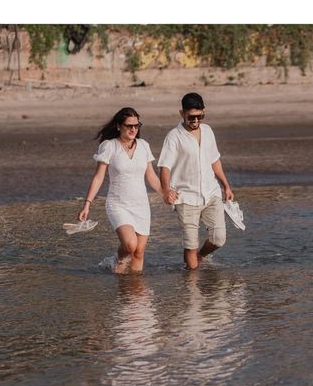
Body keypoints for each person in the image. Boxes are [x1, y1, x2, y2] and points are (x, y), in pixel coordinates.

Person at [78, 107, 173, 274]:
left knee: (139, 252)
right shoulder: (109, 146)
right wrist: (87, 204)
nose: (133, 129)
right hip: (118, 204)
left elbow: (151, 176)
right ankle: (118, 259)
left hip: (141, 205)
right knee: (130, 244)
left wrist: (164, 193)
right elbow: (99, 177)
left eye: (136, 126)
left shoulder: (144, 146)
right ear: (118, 126)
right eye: (129, 126)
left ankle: (133, 293)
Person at [158, 92, 234, 270]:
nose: (195, 120)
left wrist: (226, 186)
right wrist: (166, 190)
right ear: (181, 113)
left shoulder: (208, 131)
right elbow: (164, 167)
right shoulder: (173, 136)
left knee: (219, 238)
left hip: (211, 193)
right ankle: (192, 291)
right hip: (186, 197)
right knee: (190, 245)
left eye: (200, 116)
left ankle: (201, 256)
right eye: (191, 117)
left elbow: (214, 160)